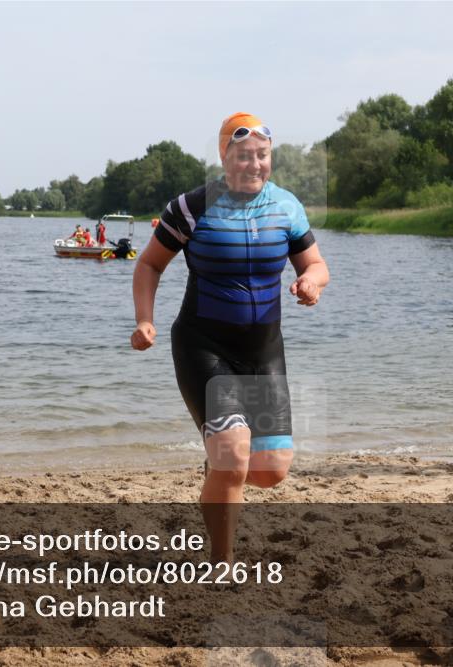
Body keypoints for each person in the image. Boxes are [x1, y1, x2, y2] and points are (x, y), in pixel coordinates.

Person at [131, 112, 329, 561]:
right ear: (224, 157)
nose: (253, 164)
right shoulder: (191, 207)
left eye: (261, 156)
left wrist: (312, 282)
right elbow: (149, 265)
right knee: (235, 458)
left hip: (263, 352)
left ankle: (218, 464)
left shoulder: (287, 207)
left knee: (270, 472)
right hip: (205, 347)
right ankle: (222, 561)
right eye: (242, 156)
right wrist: (145, 319)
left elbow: (316, 264)